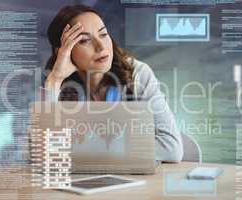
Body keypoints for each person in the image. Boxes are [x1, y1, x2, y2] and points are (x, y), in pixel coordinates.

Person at [42, 5, 183, 162]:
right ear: (62, 51)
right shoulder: (56, 83)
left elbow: (171, 148)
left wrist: (91, 150)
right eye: (85, 40)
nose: (101, 46)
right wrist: (54, 81)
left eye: (103, 34)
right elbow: (43, 151)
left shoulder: (138, 73)